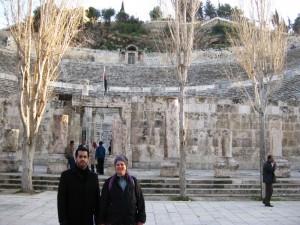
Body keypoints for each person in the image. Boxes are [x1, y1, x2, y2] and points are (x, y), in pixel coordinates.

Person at [57, 145, 100, 225]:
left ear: (88, 159)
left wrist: (98, 221)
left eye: (85, 157)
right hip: (71, 220)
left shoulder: (94, 177)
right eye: (80, 156)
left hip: (88, 221)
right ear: (76, 157)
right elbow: (61, 201)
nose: (82, 159)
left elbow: (97, 201)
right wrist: (63, 221)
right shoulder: (66, 176)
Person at [98, 155, 146, 225]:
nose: (120, 167)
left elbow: (140, 201)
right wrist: (101, 221)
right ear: (115, 167)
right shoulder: (109, 182)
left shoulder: (133, 181)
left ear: (126, 166)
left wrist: (141, 220)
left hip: (131, 221)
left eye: (122, 164)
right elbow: (103, 203)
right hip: (113, 221)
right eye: (117, 165)